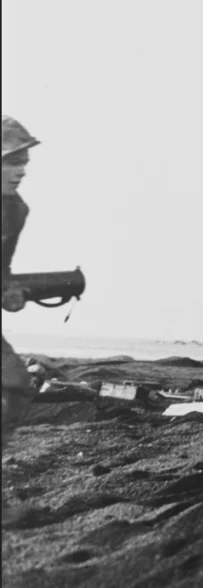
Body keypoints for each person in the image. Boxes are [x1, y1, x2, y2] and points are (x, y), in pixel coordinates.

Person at [2, 115, 42, 458]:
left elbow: (3, 268)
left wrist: (11, 292)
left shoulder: (15, 211)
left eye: (24, 162)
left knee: (14, 384)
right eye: (13, 161)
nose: (22, 171)